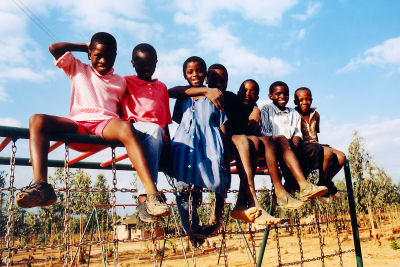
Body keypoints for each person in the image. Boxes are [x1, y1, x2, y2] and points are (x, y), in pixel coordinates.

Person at [16, 33, 170, 219]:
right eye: (98, 55)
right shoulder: (77, 68)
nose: (103, 60)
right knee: (37, 119)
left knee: (125, 127)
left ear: (115, 56)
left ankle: (151, 194)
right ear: (90, 55)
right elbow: (54, 48)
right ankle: (42, 186)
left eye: (109, 56)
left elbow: (131, 107)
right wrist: (85, 46)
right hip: (78, 123)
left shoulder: (121, 82)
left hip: (105, 125)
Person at [168, 57, 230, 247]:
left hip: (210, 143)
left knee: (218, 179)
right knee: (183, 187)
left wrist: (226, 149)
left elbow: (222, 123)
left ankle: (215, 219)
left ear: (205, 74)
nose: (195, 74)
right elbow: (172, 99)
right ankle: (193, 230)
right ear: (184, 75)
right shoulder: (183, 97)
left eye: (199, 71)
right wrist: (203, 90)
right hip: (184, 144)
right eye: (190, 71)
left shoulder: (215, 95)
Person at [122, 43, 172, 222]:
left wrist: (169, 142)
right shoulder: (126, 81)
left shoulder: (162, 87)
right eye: (141, 64)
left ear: (156, 63)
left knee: (161, 134)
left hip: (156, 134)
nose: (146, 68)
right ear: (133, 63)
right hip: (135, 128)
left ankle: (189, 201)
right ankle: (145, 196)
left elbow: (165, 121)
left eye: (150, 64)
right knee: (153, 129)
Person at [260, 81, 328, 202]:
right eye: (278, 94)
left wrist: (296, 139)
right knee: (285, 148)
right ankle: (298, 186)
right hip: (273, 143)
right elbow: (265, 132)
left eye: (285, 94)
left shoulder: (293, 112)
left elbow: (297, 132)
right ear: (271, 96)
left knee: (316, 149)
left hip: (291, 143)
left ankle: (297, 185)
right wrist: (281, 140)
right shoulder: (266, 109)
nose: (282, 96)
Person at [294, 87, 345, 203]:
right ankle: (325, 186)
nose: (305, 102)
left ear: (311, 100)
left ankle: (325, 182)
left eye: (307, 99)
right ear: (295, 102)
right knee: (327, 152)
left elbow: (315, 134)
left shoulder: (315, 114)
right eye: (301, 100)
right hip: (304, 147)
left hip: (316, 144)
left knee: (341, 157)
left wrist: (320, 144)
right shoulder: (293, 114)